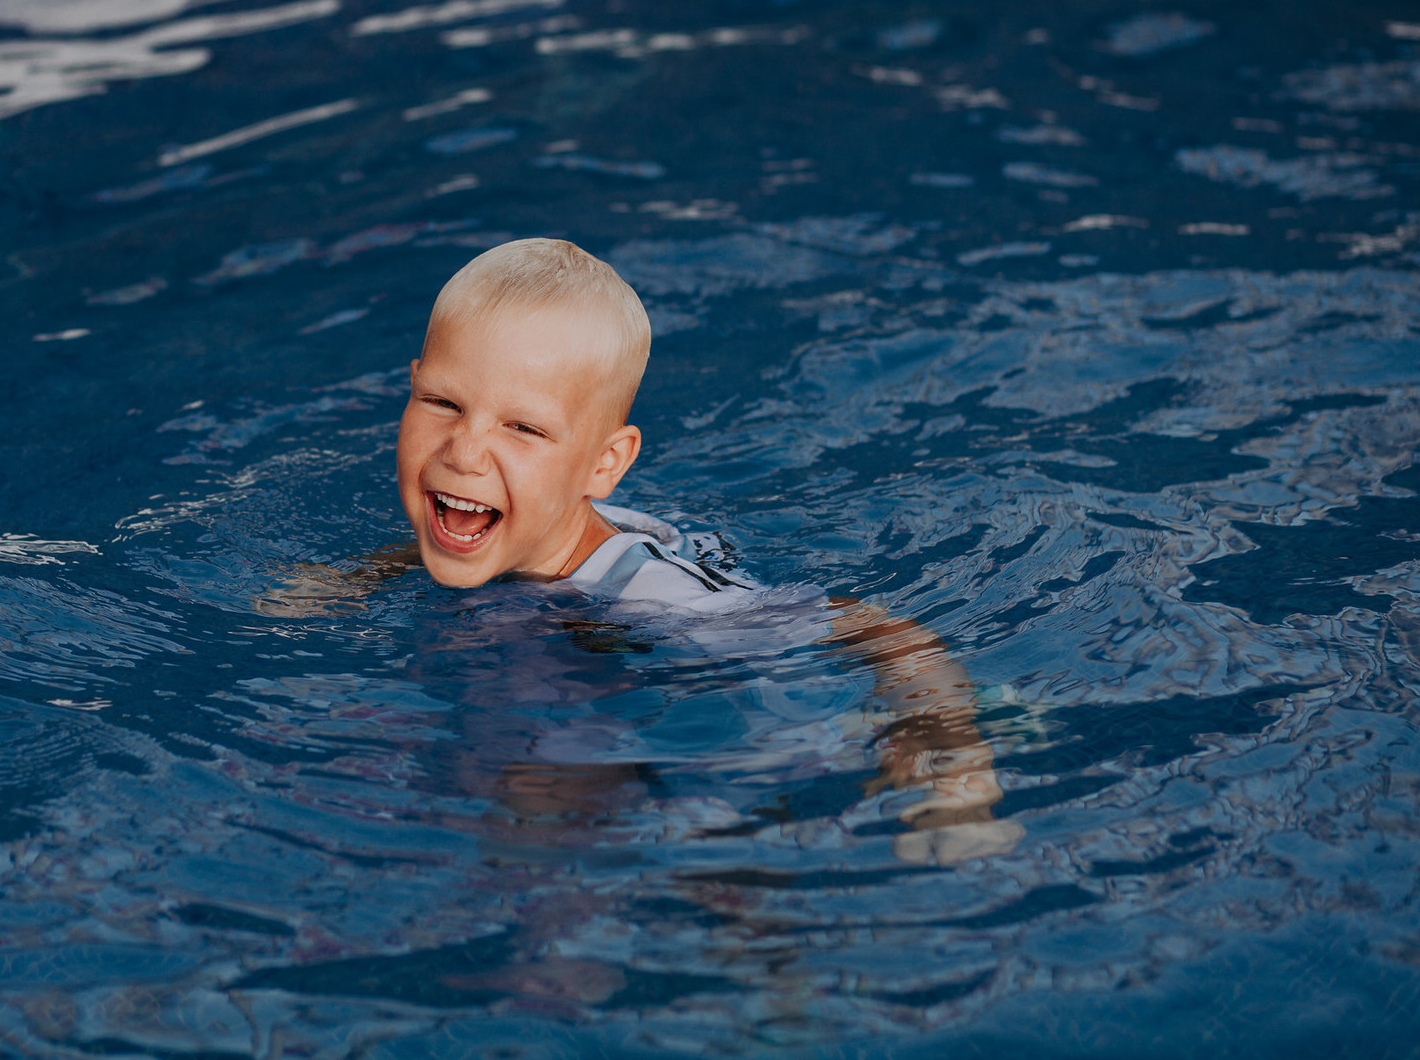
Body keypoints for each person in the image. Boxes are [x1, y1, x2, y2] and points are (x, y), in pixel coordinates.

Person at [263, 237, 1019, 863]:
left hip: (749, 742)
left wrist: (948, 757)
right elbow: (439, 539)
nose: (463, 452)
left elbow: (870, 627)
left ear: (603, 464)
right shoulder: (495, 522)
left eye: (522, 428)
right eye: (442, 403)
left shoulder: (651, 596)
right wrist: (353, 578)